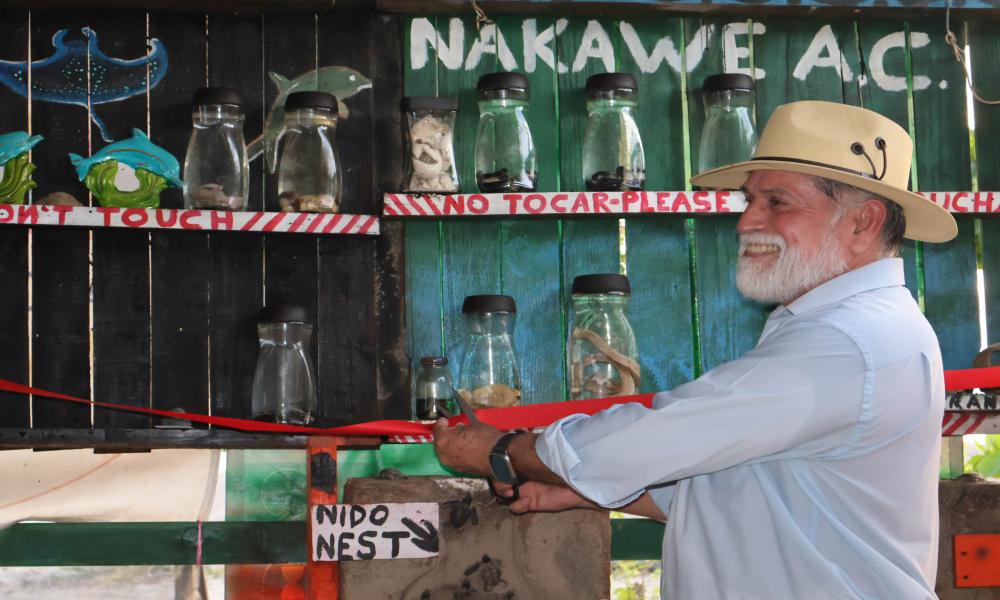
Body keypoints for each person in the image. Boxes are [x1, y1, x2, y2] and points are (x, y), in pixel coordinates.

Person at [433, 100, 957, 599]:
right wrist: (594, 488)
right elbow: (774, 497)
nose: (748, 221)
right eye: (750, 200)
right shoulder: (864, 327)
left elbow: (650, 439)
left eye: (777, 202)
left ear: (862, 222)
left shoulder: (846, 341)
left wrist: (501, 449)